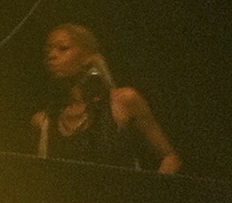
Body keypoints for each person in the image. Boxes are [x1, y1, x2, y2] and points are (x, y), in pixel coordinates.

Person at [32, 23, 180, 174]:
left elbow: (170, 157)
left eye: (63, 48)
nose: (51, 55)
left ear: (88, 57)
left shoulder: (123, 101)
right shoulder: (44, 121)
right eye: (48, 51)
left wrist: (149, 187)